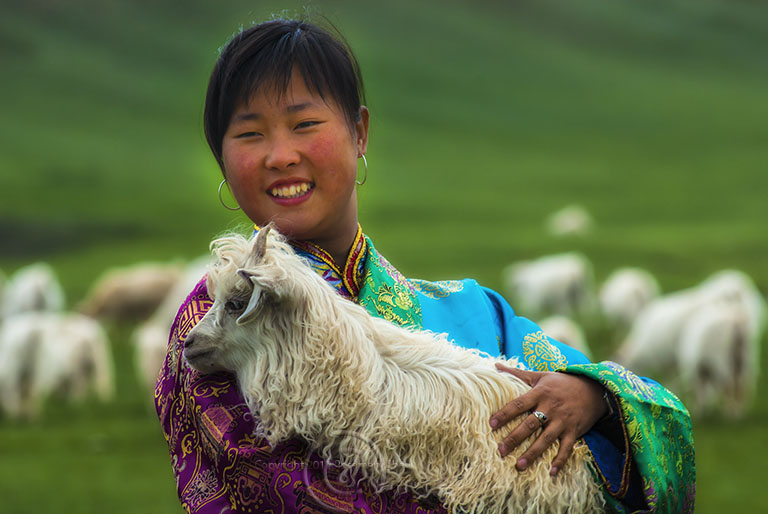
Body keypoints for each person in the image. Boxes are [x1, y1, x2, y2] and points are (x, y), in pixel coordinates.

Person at [155, 18, 695, 514]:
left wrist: (592, 396)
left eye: (304, 123)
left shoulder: (477, 313)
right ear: (222, 161)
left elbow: (654, 426)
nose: (280, 155)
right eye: (250, 134)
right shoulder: (213, 330)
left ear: (360, 133)